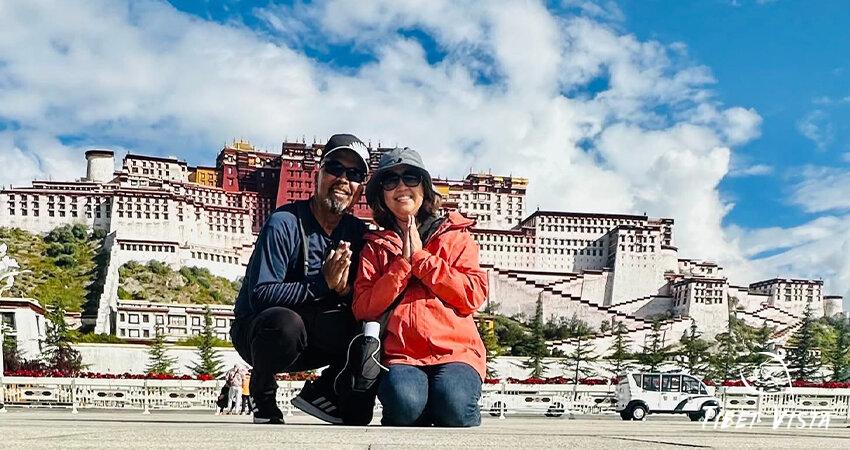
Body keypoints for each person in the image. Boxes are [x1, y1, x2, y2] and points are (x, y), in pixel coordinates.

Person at [230, 134, 373, 425]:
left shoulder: (357, 233)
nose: (343, 179)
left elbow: (361, 297)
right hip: (262, 334)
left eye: (354, 174)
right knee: (285, 322)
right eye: (335, 168)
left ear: (360, 188)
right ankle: (262, 390)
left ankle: (324, 390)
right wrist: (322, 285)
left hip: (317, 334)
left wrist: (344, 290)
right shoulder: (284, 222)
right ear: (318, 174)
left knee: (372, 329)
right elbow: (261, 295)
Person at [352, 147, 488, 427]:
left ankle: (442, 407)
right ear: (382, 196)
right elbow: (363, 307)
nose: (401, 187)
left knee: (454, 405)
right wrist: (402, 265)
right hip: (403, 356)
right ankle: (423, 408)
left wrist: (421, 260)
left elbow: (473, 295)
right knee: (404, 405)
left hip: (457, 352)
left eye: (410, 178)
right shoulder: (375, 247)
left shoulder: (455, 237)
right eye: (390, 182)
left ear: (424, 188)